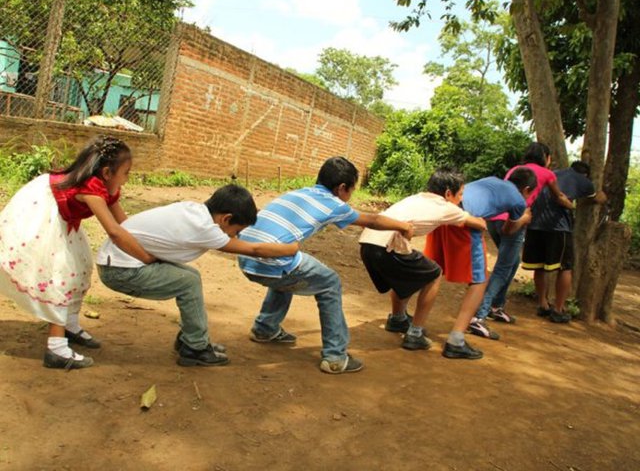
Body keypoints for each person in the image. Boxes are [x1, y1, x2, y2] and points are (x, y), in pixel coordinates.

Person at [237, 156, 413, 374]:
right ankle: (335, 356)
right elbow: (373, 221)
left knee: (292, 271)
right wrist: (404, 226)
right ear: (341, 188)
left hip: (245, 255)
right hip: (270, 260)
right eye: (351, 190)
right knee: (329, 282)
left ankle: (265, 328)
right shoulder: (333, 204)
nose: (350, 196)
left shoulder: (300, 192)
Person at [96, 184, 299, 367]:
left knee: (189, 276)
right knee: (189, 282)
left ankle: (190, 338)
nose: (234, 236)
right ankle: (195, 348)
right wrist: (290, 248)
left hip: (117, 261)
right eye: (235, 230)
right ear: (226, 218)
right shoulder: (205, 229)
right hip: (120, 270)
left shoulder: (194, 210)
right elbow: (254, 250)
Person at [0, 136, 155, 370]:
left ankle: (69, 324)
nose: (127, 179)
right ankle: (56, 349)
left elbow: (124, 224)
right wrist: (146, 258)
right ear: (106, 172)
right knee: (59, 275)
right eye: (126, 173)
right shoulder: (90, 188)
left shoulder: (107, 189)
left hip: (64, 218)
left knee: (81, 267)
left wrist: (154, 243)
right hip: (42, 213)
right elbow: (113, 231)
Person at [359, 169, 486, 351]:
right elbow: (477, 223)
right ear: (448, 193)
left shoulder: (416, 197)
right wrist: (483, 220)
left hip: (367, 243)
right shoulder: (446, 207)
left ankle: (397, 319)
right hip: (386, 246)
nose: (461, 200)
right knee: (434, 273)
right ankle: (415, 334)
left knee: (408, 271)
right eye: (460, 195)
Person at [424, 167, 536, 359]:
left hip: (443, 214)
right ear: (526, 190)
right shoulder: (518, 200)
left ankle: (411, 328)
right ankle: (456, 340)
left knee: (432, 271)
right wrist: (524, 218)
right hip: (466, 220)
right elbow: (508, 231)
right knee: (479, 281)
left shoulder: (492, 179)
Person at [470, 142, 574, 340]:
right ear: (545, 157)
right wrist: (572, 206)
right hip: (514, 219)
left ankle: (496, 306)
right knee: (503, 267)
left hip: (494, 219)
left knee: (512, 262)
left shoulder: (515, 169)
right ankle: (479, 315)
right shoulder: (547, 174)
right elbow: (559, 196)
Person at [522, 161, 607, 323]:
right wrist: (601, 197)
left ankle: (542, 304)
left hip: (534, 224)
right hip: (558, 228)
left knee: (539, 266)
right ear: (586, 174)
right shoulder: (584, 182)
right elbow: (597, 198)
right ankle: (558, 309)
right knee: (565, 267)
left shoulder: (554, 173)